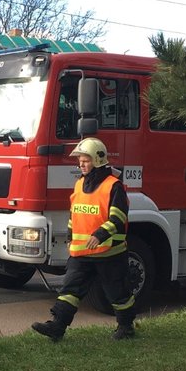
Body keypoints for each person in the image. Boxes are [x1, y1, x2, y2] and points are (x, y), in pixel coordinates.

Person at [32, 137, 137, 342]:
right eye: (79, 160)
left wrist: (99, 235)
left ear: (98, 159)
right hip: (82, 253)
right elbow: (75, 214)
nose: (81, 164)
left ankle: (126, 327)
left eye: (85, 160)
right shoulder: (79, 184)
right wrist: (71, 237)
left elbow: (118, 218)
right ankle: (57, 327)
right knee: (69, 290)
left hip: (109, 252)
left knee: (118, 292)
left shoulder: (114, 186)